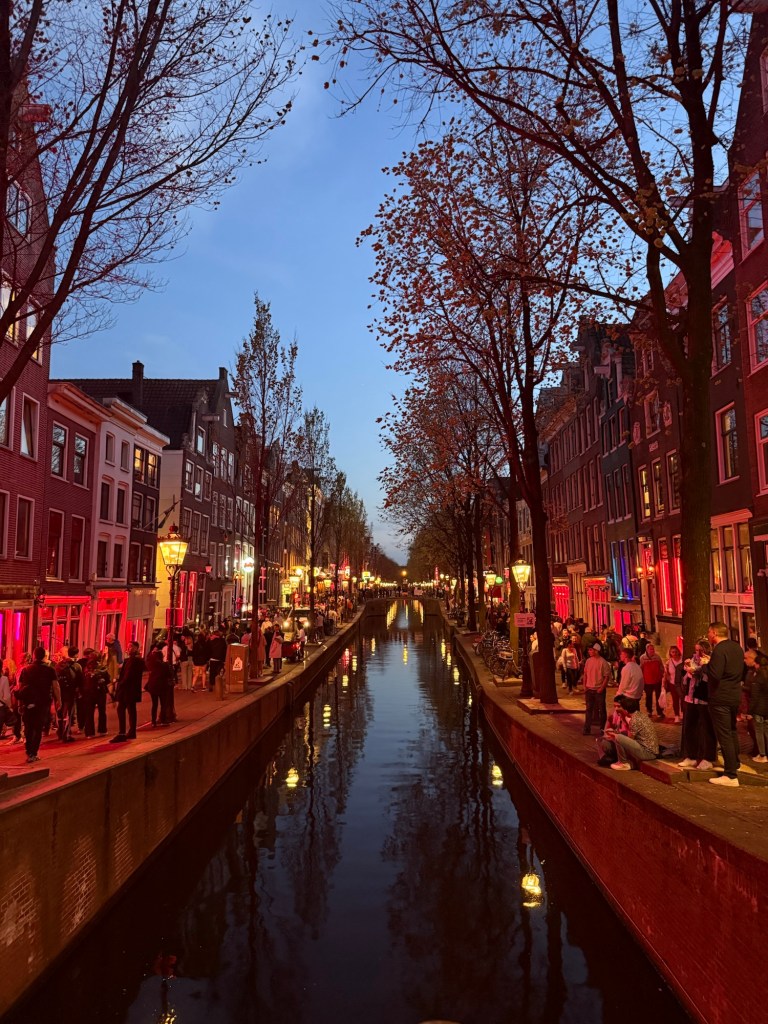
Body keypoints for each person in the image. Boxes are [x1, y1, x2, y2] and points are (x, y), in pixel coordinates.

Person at [706, 621, 745, 787]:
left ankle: (730, 775)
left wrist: (704, 666)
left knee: (724, 735)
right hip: (734, 695)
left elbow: (715, 674)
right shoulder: (737, 648)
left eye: (709, 632)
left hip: (720, 697)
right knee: (732, 730)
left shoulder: (719, 650)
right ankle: (735, 762)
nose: (708, 635)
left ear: (714, 633)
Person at [678, 640, 717, 771]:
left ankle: (708, 757)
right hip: (691, 697)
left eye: (700, 650)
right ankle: (691, 756)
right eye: (696, 650)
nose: (698, 653)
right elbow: (686, 677)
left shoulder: (709, 661)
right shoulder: (693, 659)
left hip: (704, 698)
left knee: (707, 728)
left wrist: (698, 670)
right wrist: (688, 670)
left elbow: (709, 677)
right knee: (689, 727)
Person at [17, 647, 59, 763]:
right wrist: (58, 700)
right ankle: (33, 753)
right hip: (43, 702)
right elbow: (55, 686)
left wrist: (20, 704)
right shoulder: (50, 670)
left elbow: (20, 688)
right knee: (38, 727)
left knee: (29, 727)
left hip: (28, 701)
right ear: (44, 656)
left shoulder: (26, 670)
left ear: (34, 656)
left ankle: (29, 751)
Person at [599, 696, 659, 770]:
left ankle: (623, 763)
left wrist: (615, 735)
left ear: (626, 710)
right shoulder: (639, 715)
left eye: (621, 707)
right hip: (649, 750)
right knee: (615, 738)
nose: (617, 709)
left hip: (648, 753)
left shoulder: (634, 720)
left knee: (618, 737)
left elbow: (629, 739)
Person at [110, 641, 145, 742]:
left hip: (127, 690)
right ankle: (132, 731)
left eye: (131, 647)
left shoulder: (133, 660)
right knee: (131, 709)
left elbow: (128, 676)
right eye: (128, 646)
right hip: (132, 690)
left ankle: (122, 733)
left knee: (121, 709)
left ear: (136, 648)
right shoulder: (136, 660)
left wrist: (119, 684)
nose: (128, 648)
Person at [744, 648, 768, 763]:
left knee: (759, 731)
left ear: (757, 664)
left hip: (758, 708)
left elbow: (755, 696)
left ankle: (762, 755)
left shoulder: (758, 677)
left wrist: (749, 712)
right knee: (766, 731)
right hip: (766, 708)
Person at [582, 644, 611, 735]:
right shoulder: (588, 661)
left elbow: (606, 677)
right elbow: (585, 674)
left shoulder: (603, 662)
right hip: (589, 689)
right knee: (588, 710)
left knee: (602, 710)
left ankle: (602, 729)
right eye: (589, 650)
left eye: (591, 650)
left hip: (598, 690)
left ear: (596, 651)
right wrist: (585, 686)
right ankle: (587, 728)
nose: (589, 652)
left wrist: (601, 688)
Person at [145, 645, 172, 726]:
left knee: (154, 704)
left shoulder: (151, 665)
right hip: (162, 686)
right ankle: (163, 720)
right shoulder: (164, 665)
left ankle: (153, 721)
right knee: (163, 704)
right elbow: (169, 675)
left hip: (153, 686)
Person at [640, 643, 665, 719]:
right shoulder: (642, 658)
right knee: (648, 696)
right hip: (647, 681)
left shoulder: (657, 657)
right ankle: (649, 711)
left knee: (658, 696)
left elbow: (661, 666)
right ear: (647, 650)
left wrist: (662, 674)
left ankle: (659, 712)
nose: (652, 650)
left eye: (653, 649)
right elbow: (641, 668)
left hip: (657, 680)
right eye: (650, 649)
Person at [664, 645, 684, 723]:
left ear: (678, 652)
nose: (674, 653)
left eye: (676, 651)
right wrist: (666, 679)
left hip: (682, 684)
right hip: (673, 684)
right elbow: (666, 673)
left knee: (682, 699)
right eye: (672, 652)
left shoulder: (682, 660)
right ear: (670, 653)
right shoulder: (669, 662)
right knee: (675, 700)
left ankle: (682, 713)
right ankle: (676, 716)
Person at [208, 627, 227, 692]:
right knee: (218, 672)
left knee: (212, 673)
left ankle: (211, 684)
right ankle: (218, 685)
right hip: (220, 659)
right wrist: (224, 660)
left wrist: (209, 657)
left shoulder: (211, 641)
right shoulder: (222, 641)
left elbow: (209, 650)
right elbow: (224, 651)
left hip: (212, 659)